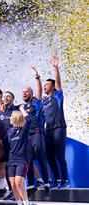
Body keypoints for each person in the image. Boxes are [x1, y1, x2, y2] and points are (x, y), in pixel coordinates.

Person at [42, 56, 69, 188]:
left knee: (59, 155)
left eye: (46, 84)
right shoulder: (44, 101)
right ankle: (57, 180)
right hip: (48, 131)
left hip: (59, 128)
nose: (44, 86)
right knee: (50, 156)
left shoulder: (57, 96)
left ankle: (65, 180)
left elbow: (58, 83)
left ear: (52, 87)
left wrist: (56, 68)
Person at [23, 67, 51, 194]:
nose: (24, 93)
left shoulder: (36, 102)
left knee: (40, 157)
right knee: (27, 160)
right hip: (27, 136)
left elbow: (39, 90)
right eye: (23, 92)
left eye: (26, 92)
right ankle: (30, 185)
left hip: (37, 133)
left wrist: (37, 77)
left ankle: (46, 183)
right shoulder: (22, 107)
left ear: (31, 93)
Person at [6, 105, 33, 205]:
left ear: (16, 118)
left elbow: (29, 119)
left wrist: (21, 109)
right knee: (12, 185)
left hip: (22, 160)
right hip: (11, 160)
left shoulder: (23, 130)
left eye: (12, 116)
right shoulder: (9, 131)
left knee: (19, 183)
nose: (9, 118)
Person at [0, 90, 19, 200]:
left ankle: (15, 190)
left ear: (13, 99)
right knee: (1, 166)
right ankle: (3, 188)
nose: (6, 98)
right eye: (5, 96)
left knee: (11, 166)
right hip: (2, 143)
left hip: (13, 143)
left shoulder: (16, 110)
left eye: (9, 96)